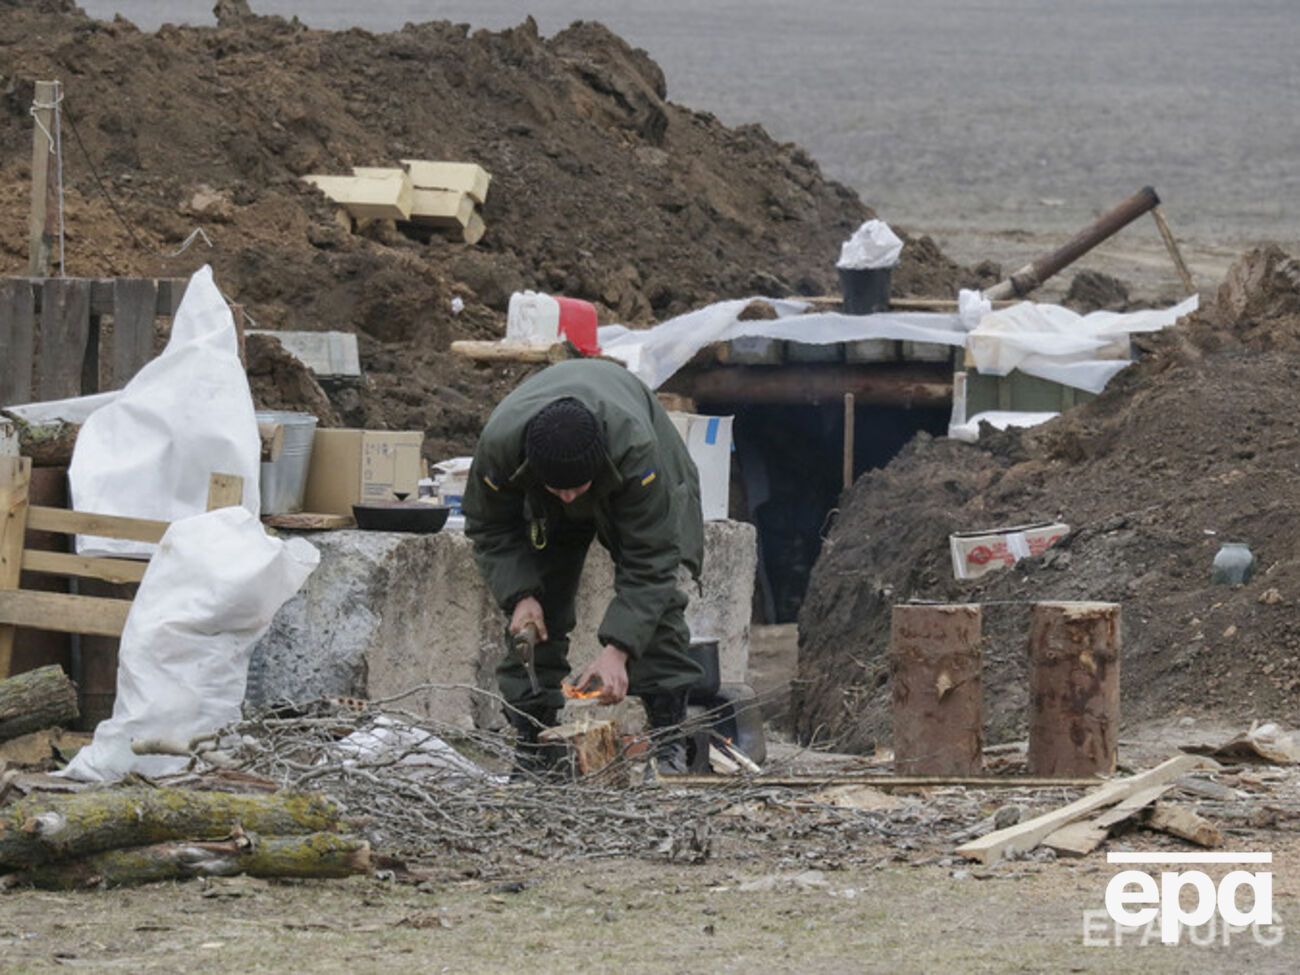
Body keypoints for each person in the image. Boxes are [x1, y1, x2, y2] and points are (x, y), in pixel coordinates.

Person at [462, 358, 704, 775]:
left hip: (631, 468)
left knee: (658, 609)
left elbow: (651, 561)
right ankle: (533, 742)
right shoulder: (500, 448)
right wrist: (520, 596)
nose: (571, 498)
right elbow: (489, 527)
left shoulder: (637, 452)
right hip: (538, 497)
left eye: (579, 487)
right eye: (560, 488)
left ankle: (668, 742)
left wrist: (619, 650)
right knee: (535, 621)